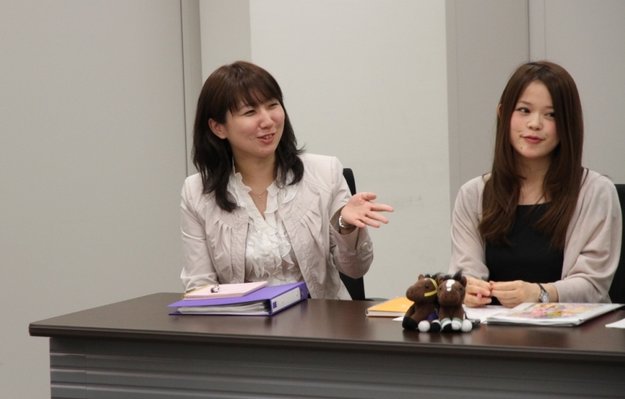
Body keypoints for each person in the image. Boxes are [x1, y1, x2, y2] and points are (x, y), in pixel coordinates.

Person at [179, 61, 393, 299]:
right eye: (250, 112)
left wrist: (345, 226)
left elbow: (355, 269)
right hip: (242, 331)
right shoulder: (197, 192)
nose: (268, 120)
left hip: (321, 327)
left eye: (273, 105)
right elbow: (200, 288)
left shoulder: (326, 172)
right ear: (218, 128)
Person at [448, 61, 622, 308]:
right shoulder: (474, 194)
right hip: (491, 337)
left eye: (551, 115)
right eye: (524, 110)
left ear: (567, 125)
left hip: (573, 339)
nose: (535, 124)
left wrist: (539, 293)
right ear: (503, 114)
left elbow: (593, 285)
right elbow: (466, 273)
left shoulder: (595, 192)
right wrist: (467, 289)